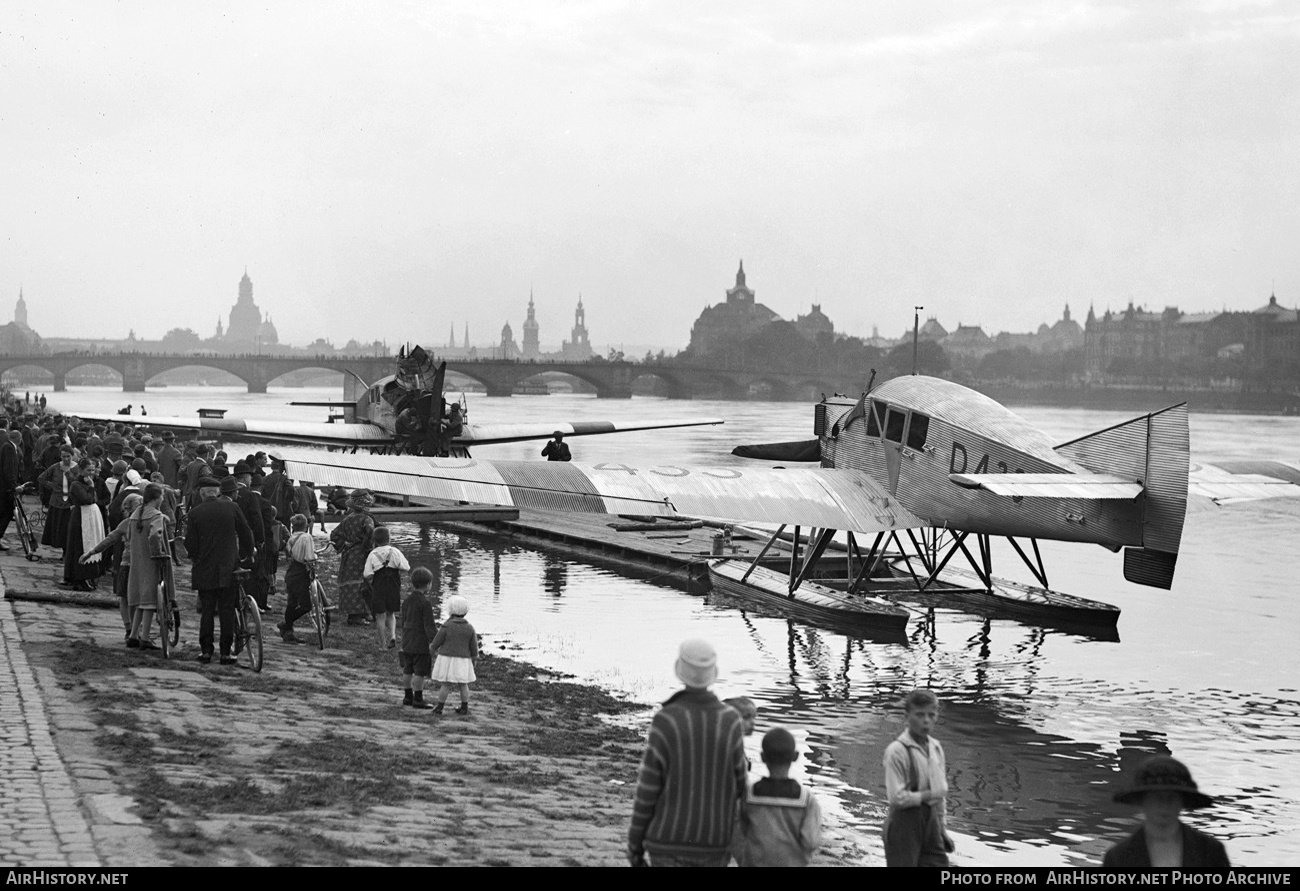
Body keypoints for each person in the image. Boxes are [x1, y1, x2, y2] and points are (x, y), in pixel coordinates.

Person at [627, 639, 748, 867]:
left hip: (667, 841)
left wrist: (635, 843)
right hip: (715, 843)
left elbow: (648, 789)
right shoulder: (731, 721)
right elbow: (741, 785)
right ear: (712, 673)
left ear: (680, 671)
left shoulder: (666, 720)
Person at [82, 484, 170, 650]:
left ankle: (132, 634)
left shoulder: (134, 518)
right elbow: (154, 535)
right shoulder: (155, 516)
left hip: (132, 564)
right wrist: (158, 554)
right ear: (157, 498)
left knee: (135, 601)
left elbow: (110, 538)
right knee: (149, 602)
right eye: (162, 496)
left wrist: (91, 552)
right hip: (148, 563)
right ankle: (144, 638)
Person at [1102, 755, 1230, 867]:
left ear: (1182, 802)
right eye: (1156, 797)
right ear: (1142, 801)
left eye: (1172, 797)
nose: (1164, 804)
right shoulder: (1117, 858)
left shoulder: (1211, 852)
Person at [185, 475, 255, 665]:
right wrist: (246, 554)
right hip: (228, 566)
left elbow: (190, 543)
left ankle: (206, 651)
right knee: (226, 610)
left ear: (201, 493)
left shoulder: (195, 513)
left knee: (207, 611)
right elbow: (245, 532)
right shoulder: (232, 507)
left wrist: (196, 556)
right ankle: (226, 652)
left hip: (205, 567)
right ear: (217, 492)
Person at [731, 727, 823, 867]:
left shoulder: (748, 795)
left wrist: (744, 860)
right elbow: (811, 842)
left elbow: (737, 832)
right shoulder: (807, 800)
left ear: (762, 757)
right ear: (796, 756)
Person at [883, 688, 954, 867]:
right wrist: (926, 796)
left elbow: (940, 794)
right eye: (920, 715)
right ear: (907, 716)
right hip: (902, 825)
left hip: (931, 823)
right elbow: (896, 798)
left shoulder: (936, 748)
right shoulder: (896, 751)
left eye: (931, 715)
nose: (926, 721)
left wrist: (941, 829)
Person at [330, 488, 376, 625]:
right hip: (362, 554)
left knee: (351, 582)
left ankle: (356, 613)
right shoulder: (366, 519)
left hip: (348, 554)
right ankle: (359, 616)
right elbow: (370, 532)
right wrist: (367, 546)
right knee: (363, 582)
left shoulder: (347, 519)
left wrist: (344, 544)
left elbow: (334, 535)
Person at [363, 525, 410, 649]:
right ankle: (393, 636)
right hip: (394, 584)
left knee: (380, 614)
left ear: (375, 540)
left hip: (379, 585)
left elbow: (367, 574)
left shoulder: (373, 554)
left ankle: (383, 644)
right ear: (389, 539)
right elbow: (406, 567)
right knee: (391, 612)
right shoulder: (395, 551)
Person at [429, 595, 477, 715]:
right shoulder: (470, 628)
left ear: (450, 610)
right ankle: (464, 707)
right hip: (464, 659)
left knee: (445, 684)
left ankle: (439, 707)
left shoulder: (446, 626)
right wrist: (474, 659)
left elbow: (436, 643)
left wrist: (430, 652)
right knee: (463, 684)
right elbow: (474, 647)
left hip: (447, 658)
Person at [63, 459, 106, 591]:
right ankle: (77, 578)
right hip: (80, 518)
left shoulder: (90, 483)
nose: (91, 473)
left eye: (93, 470)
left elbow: (95, 499)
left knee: (89, 544)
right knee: (79, 546)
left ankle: (86, 576)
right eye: (88, 470)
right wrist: (91, 487)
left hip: (90, 517)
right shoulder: (76, 484)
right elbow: (87, 499)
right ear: (81, 470)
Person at [400, 566, 439, 709]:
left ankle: (407, 696)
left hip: (407, 639)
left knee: (407, 669)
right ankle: (418, 698)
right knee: (420, 671)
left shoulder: (406, 601)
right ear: (428, 584)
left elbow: (403, 621)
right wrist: (434, 641)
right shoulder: (425, 603)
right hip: (420, 642)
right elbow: (429, 625)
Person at [277, 513, 318, 643]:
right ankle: (286, 623)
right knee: (306, 606)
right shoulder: (307, 537)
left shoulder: (291, 538)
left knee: (292, 603)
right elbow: (309, 557)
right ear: (306, 525)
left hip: (291, 572)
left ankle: (288, 631)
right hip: (301, 572)